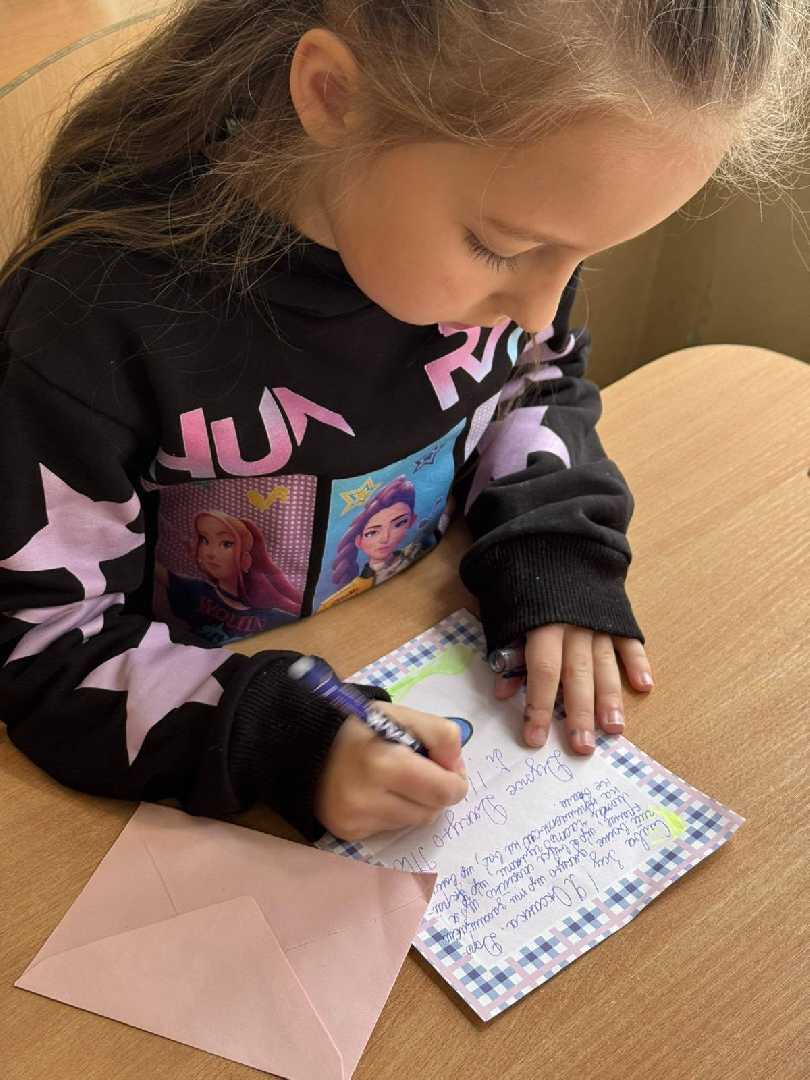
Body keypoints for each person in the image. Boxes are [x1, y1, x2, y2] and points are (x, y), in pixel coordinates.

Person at [0, 1, 804, 842]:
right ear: (334, 96)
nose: (541, 309)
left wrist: (554, 549)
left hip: (415, 628)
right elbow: (42, 644)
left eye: (584, 257)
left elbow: (535, 382)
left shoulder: (506, 246)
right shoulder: (90, 327)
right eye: (501, 248)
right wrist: (285, 741)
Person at [155, 510, 303, 644]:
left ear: (246, 557)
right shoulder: (197, 590)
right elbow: (155, 569)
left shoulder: (272, 615)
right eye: (205, 540)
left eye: (226, 544)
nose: (210, 553)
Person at [320, 475, 436, 608]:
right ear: (358, 541)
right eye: (372, 533)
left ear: (412, 520)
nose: (385, 538)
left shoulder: (413, 549)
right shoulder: (352, 588)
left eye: (399, 523)